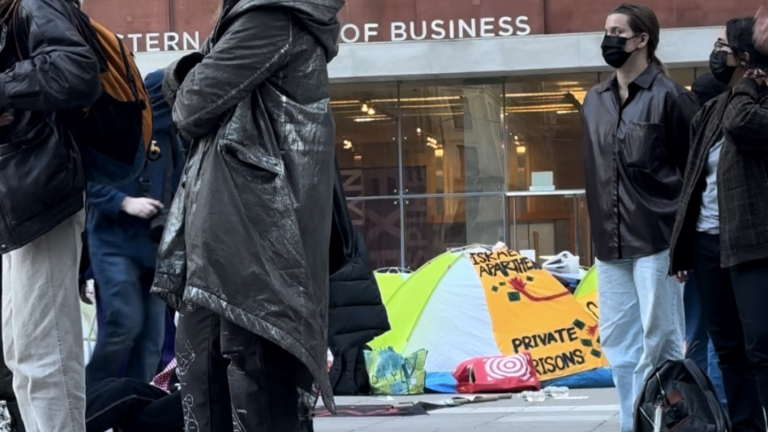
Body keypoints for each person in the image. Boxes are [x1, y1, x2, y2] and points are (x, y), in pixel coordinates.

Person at [152, 0, 345, 430]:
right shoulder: (264, 16)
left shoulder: (270, 17)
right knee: (213, 375)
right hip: (234, 236)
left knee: (253, 377)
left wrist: (185, 73)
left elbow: (191, 107)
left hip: (252, 239)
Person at [581, 4, 698, 430]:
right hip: (609, 244)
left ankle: (666, 422)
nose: (608, 38)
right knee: (619, 344)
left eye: (618, 31)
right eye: (606, 30)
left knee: (661, 339)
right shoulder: (593, 101)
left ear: (642, 39)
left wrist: (685, 243)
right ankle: (632, 423)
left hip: (658, 239)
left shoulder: (672, 97)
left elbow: (693, 176)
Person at [0, 0, 100, 430]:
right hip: (22, 203)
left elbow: (77, 70)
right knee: (24, 356)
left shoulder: (34, 3)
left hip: (41, 199)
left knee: (44, 357)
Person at [669, 16, 768, 432]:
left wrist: (749, 84)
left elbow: (743, 125)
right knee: (728, 348)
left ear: (744, 55)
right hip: (707, 243)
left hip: (753, 242)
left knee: (761, 345)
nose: (714, 54)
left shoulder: (756, 102)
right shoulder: (708, 111)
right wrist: (681, 248)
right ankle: (746, 427)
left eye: (721, 45)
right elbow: (694, 181)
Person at [85, 69, 184, 386]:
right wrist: (124, 202)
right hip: (114, 243)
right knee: (123, 325)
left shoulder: (172, 138)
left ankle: (136, 404)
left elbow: (182, 186)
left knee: (152, 340)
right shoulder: (115, 124)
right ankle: (92, 400)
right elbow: (87, 178)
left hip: (153, 248)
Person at [681, 72, 729, 411]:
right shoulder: (718, 135)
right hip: (717, 241)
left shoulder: (691, 136)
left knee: (697, 330)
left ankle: (701, 406)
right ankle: (722, 405)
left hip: (694, 246)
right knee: (721, 330)